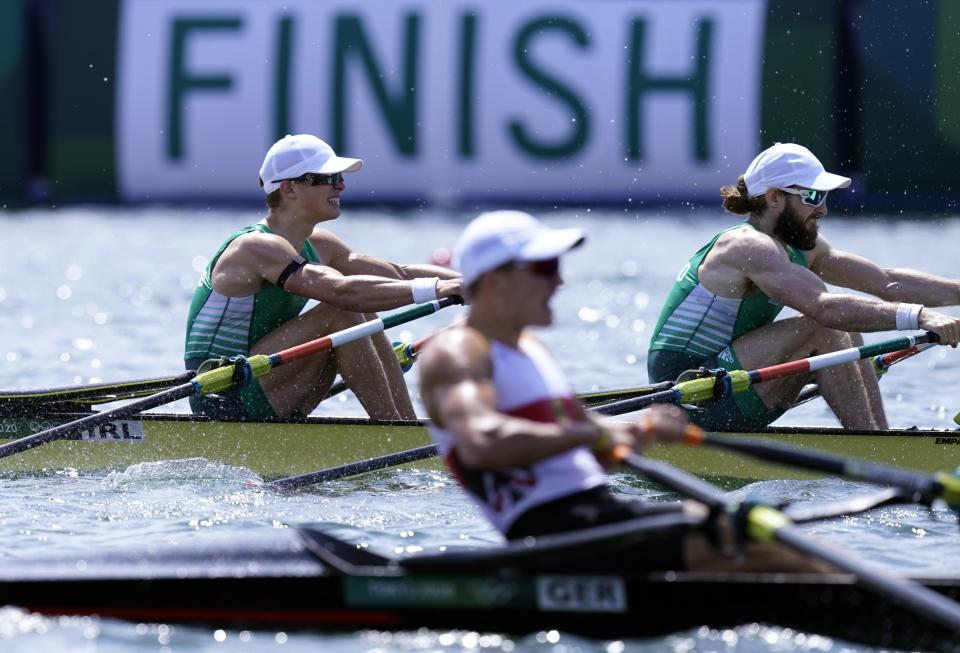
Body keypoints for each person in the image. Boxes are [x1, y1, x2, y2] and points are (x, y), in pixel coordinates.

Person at [418, 210, 827, 572]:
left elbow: (576, 443)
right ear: (496, 282)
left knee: (786, 539)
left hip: (596, 515)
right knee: (761, 543)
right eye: (544, 269)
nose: (559, 280)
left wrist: (633, 433)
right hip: (552, 537)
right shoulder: (457, 353)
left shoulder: (529, 350)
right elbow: (481, 442)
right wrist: (591, 434)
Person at [648, 142, 960, 431]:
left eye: (824, 196)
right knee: (823, 328)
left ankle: (881, 440)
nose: (822, 209)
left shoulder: (799, 247)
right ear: (773, 198)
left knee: (848, 332)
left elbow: (886, 281)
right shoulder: (747, 246)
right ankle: (876, 450)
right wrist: (921, 316)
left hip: (732, 381)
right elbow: (824, 308)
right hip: (687, 393)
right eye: (812, 196)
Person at [184, 134, 463, 421]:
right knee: (343, 311)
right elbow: (341, 292)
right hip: (223, 396)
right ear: (290, 188)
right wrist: (442, 288)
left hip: (266, 382)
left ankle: (405, 426)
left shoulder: (319, 244)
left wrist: (477, 284)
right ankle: (396, 434)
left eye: (338, 176)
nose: (341, 185)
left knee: (363, 309)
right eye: (327, 178)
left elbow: (398, 274)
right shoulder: (255, 246)